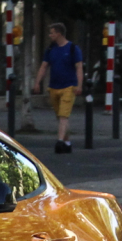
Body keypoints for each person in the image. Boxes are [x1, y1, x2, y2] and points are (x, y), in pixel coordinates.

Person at [32, 23, 84, 154]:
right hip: (54, 86)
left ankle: (60, 141)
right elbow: (44, 66)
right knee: (60, 116)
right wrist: (37, 82)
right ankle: (67, 142)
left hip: (69, 86)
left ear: (59, 34)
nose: (50, 36)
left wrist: (79, 85)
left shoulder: (73, 48)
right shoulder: (50, 49)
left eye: (52, 33)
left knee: (63, 115)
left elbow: (79, 68)